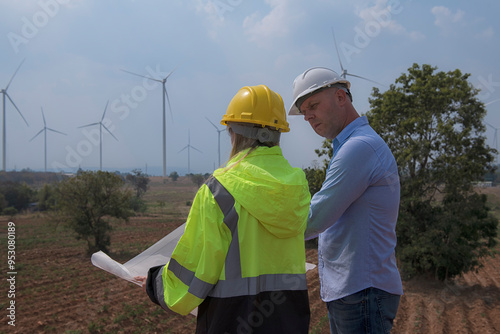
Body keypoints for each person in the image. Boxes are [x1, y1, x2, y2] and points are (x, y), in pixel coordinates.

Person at [135, 84, 311, 333]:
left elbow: (196, 270)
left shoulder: (219, 190)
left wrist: (157, 284)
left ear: (236, 133)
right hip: (288, 320)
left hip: (232, 320)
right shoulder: (298, 187)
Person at [288, 67, 403, 334]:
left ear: (341, 97)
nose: (308, 117)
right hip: (354, 290)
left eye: (313, 105)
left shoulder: (359, 148)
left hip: (362, 291)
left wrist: (261, 229)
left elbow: (315, 218)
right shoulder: (351, 146)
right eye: (304, 111)